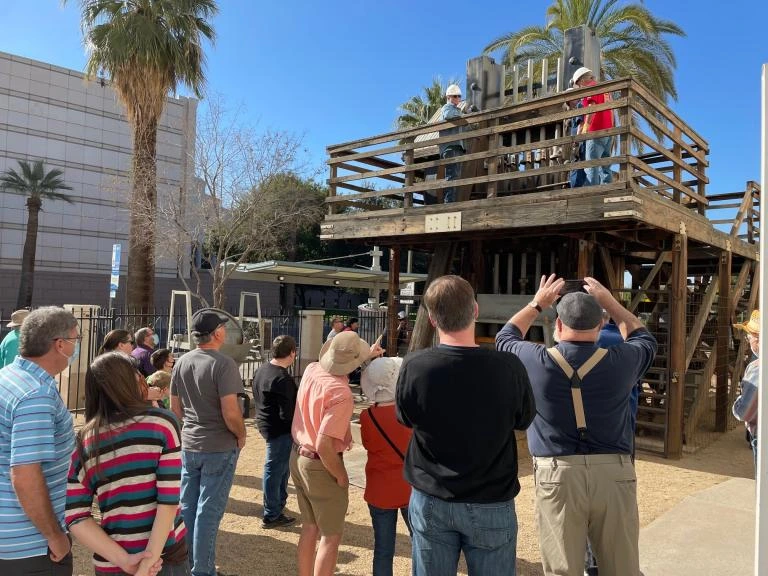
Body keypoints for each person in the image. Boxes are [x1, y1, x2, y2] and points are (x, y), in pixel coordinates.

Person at [496, 275, 657, 576]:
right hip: (613, 473)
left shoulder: (536, 361)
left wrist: (537, 303)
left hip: (557, 473)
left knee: (563, 569)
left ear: (557, 325)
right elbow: (643, 338)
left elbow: (505, 337)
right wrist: (610, 302)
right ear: (600, 326)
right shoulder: (621, 362)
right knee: (622, 568)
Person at [396, 275, 535, 576]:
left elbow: (406, 418)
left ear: (432, 319)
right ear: (475, 310)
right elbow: (524, 419)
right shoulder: (509, 367)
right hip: (491, 497)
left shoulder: (415, 366)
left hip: (432, 494)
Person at [65, 352, 186, 576]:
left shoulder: (84, 440)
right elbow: (168, 501)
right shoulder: (163, 424)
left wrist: (125, 560)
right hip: (165, 555)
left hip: (113, 561)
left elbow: (75, 515)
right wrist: (147, 563)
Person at [291, 331, 384, 576]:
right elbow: (324, 445)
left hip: (298, 455)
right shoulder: (341, 394)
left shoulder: (312, 369)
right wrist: (341, 475)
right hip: (320, 464)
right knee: (331, 537)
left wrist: (365, 356)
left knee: (309, 527)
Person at [0, 307, 79, 575]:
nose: (76, 347)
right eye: (75, 339)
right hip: (29, 546)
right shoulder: (36, 395)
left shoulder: (8, 377)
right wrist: (54, 535)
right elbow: (25, 474)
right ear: (60, 345)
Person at [170, 310, 246, 576]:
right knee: (208, 512)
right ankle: (202, 570)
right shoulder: (224, 364)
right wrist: (241, 434)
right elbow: (231, 412)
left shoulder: (181, 362)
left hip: (190, 443)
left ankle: (190, 564)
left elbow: (175, 408)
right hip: (218, 445)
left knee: (189, 507)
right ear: (217, 333)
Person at [360, 356, 412, 576]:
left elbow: (368, 444)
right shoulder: (407, 415)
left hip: (379, 488)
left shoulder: (367, 416)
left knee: (383, 549)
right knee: (421, 542)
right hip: (408, 487)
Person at [252, 335, 298, 528]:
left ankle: (276, 505)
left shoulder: (262, 369)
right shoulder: (283, 378)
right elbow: (287, 413)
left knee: (279, 469)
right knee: (276, 469)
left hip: (265, 423)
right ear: (292, 353)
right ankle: (272, 513)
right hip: (280, 430)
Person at [573, 67, 614, 186]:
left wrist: (586, 128)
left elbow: (592, 107)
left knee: (591, 166)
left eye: (578, 84)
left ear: (582, 80)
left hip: (596, 131)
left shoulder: (591, 87)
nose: (579, 87)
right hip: (608, 131)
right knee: (605, 166)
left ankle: (593, 191)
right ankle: (607, 189)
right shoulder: (605, 90)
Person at [733, 309, 760, 470]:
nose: (748, 340)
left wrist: (737, 403)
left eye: (749, 336)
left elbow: (744, 412)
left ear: (758, 338)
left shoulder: (757, 368)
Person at [564, 87, 586, 189]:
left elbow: (581, 124)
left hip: (580, 142)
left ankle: (576, 188)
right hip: (577, 142)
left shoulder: (579, 105)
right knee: (576, 164)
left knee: (578, 165)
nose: (569, 102)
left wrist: (576, 141)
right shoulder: (575, 109)